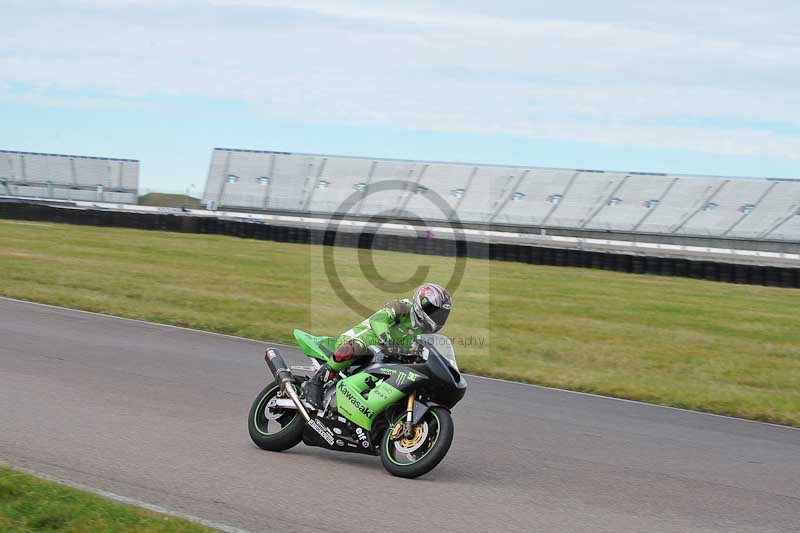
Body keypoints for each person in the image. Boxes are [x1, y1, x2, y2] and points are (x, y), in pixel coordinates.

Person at [303, 283, 452, 409]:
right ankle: (316, 382)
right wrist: (387, 339)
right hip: (363, 341)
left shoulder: (424, 332)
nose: (437, 318)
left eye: (441, 315)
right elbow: (378, 320)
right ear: (422, 305)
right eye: (435, 312)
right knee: (357, 347)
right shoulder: (403, 307)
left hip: (383, 356)